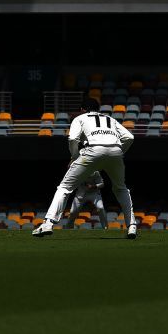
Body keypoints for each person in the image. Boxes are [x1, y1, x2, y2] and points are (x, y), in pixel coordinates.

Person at [33, 96, 136, 239]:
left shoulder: (79, 118)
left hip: (92, 151)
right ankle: (132, 226)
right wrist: (117, 154)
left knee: (65, 187)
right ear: (97, 109)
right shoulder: (110, 119)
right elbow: (130, 137)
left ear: (82, 109)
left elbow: (72, 139)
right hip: (116, 151)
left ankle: (47, 224)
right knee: (121, 188)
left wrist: (75, 157)